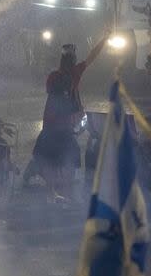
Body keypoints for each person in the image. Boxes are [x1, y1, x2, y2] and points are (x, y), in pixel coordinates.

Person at [31, 35, 107, 201]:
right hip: (57, 128)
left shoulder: (63, 75)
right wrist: (104, 39)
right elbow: (91, 57)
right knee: (61, 158)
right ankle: (60, 192)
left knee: (57, 158)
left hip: (56, 128)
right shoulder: (67, 75)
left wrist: (104, 40)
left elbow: (91, 57)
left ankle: (59, 192)